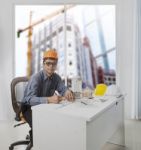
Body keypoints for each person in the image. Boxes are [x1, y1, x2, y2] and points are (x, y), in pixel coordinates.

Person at [21, 49, 74, 148]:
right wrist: (49, 100)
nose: (51, 66)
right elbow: (29, 99)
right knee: (42, 124)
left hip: (43, 106)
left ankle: (50, 143)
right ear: (43, 64)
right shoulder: (36, 78)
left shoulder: (56, 78)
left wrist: (67, 91)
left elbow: (62, 88)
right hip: (28, 107)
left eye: (54, 64)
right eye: (48, 63)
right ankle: (38, 143)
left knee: (56, 121)